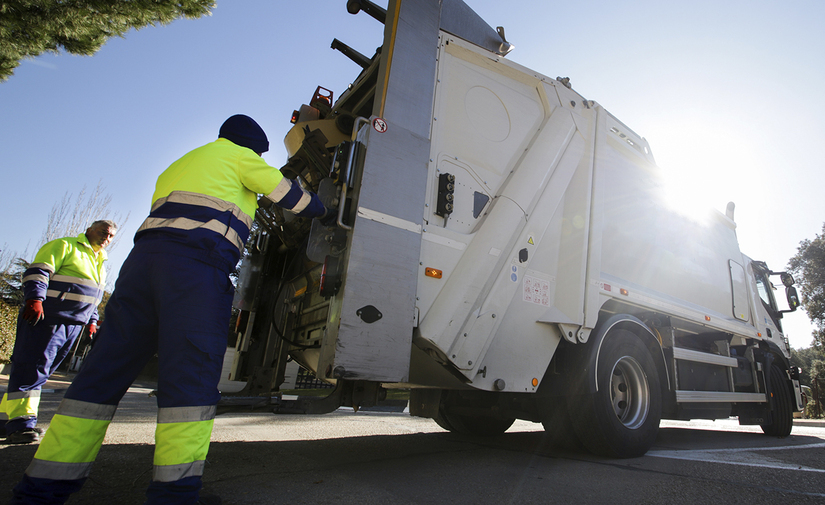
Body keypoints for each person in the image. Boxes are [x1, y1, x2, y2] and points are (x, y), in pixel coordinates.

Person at [10, 114, 332, 505]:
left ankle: (42, 488)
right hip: (194, 271)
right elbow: (293, 199)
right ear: (252, 147)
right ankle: (175, 494)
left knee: (100, 376)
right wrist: (324, 207)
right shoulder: (240, 157)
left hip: (140, 267)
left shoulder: (181, 164)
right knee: (190, 380)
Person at [0, 220, 116, 445]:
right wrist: (35, 299)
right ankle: (21, 425)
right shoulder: (65, 245)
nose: (106, 238)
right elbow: (38, 272)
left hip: (73, 325)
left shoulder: (100, 260)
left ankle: (5, 420)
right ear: (90, 229)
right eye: (103, 232)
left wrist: (92, 321)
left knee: (41, 372)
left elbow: (94, 296)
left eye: (111, 236)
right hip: (46, 318)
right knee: (32, 369)